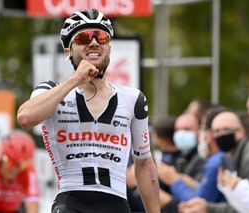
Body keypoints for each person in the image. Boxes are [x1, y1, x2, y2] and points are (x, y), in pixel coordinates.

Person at [17, 8, 160, 213]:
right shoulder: (50, 90)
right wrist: (76, 79)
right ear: (68, 50)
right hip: (71, 200)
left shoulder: (133, 98)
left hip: (117, 203)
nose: (93, 42)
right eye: (83, 37)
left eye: (101, 37)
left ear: (109, 47)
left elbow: (145, 165)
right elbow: (25, 117)